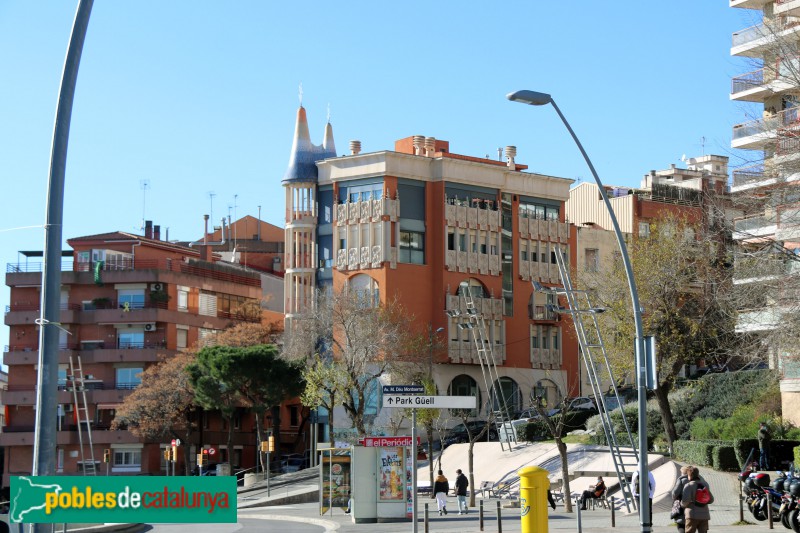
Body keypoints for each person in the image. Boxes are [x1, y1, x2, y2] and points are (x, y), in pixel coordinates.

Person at [681, 466, 714, 533]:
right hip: (704, 515)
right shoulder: (705, 485)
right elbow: (711, 500)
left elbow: (685, 501)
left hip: (692, 515)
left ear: (690, 475)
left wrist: (682, 505)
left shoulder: (688, 485)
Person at [670, 465, 691, 533]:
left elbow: (675, 493)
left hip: (682, 505)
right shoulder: (694, 479)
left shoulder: (681, 480)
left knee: (681, 524)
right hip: (692, 506)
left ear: (683, 472)